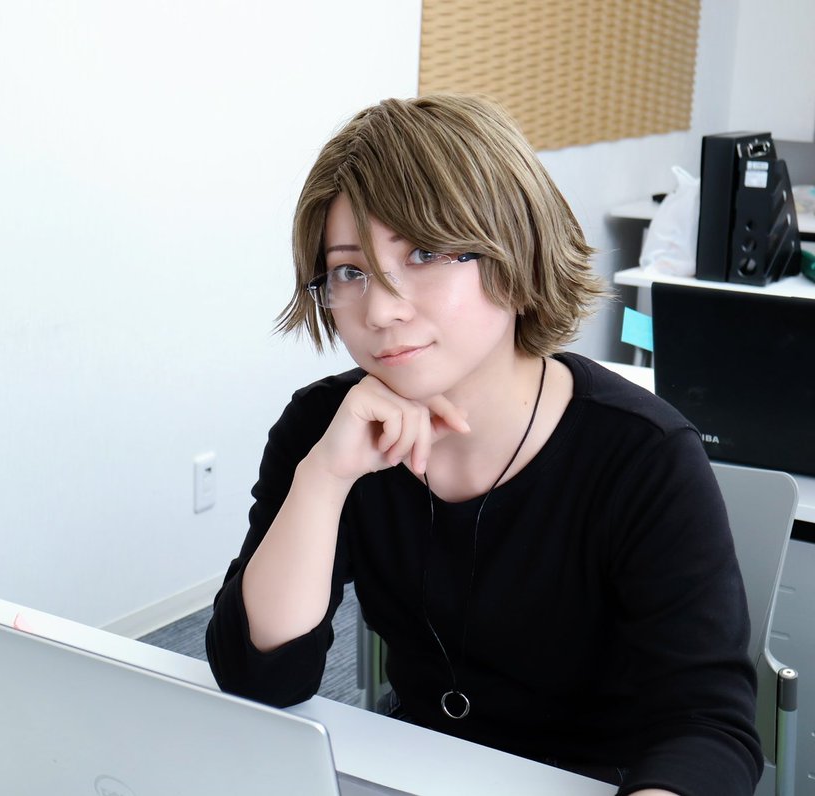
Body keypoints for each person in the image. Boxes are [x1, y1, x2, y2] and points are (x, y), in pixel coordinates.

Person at [204, 94, 761, 796]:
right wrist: (323, 478)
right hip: (417, 771)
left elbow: (709, 728)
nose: (381, 309)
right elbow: (259, 679)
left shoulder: (644, 455)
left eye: (424, 253)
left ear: (513, 249)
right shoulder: (326, 426)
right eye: (349, 271)